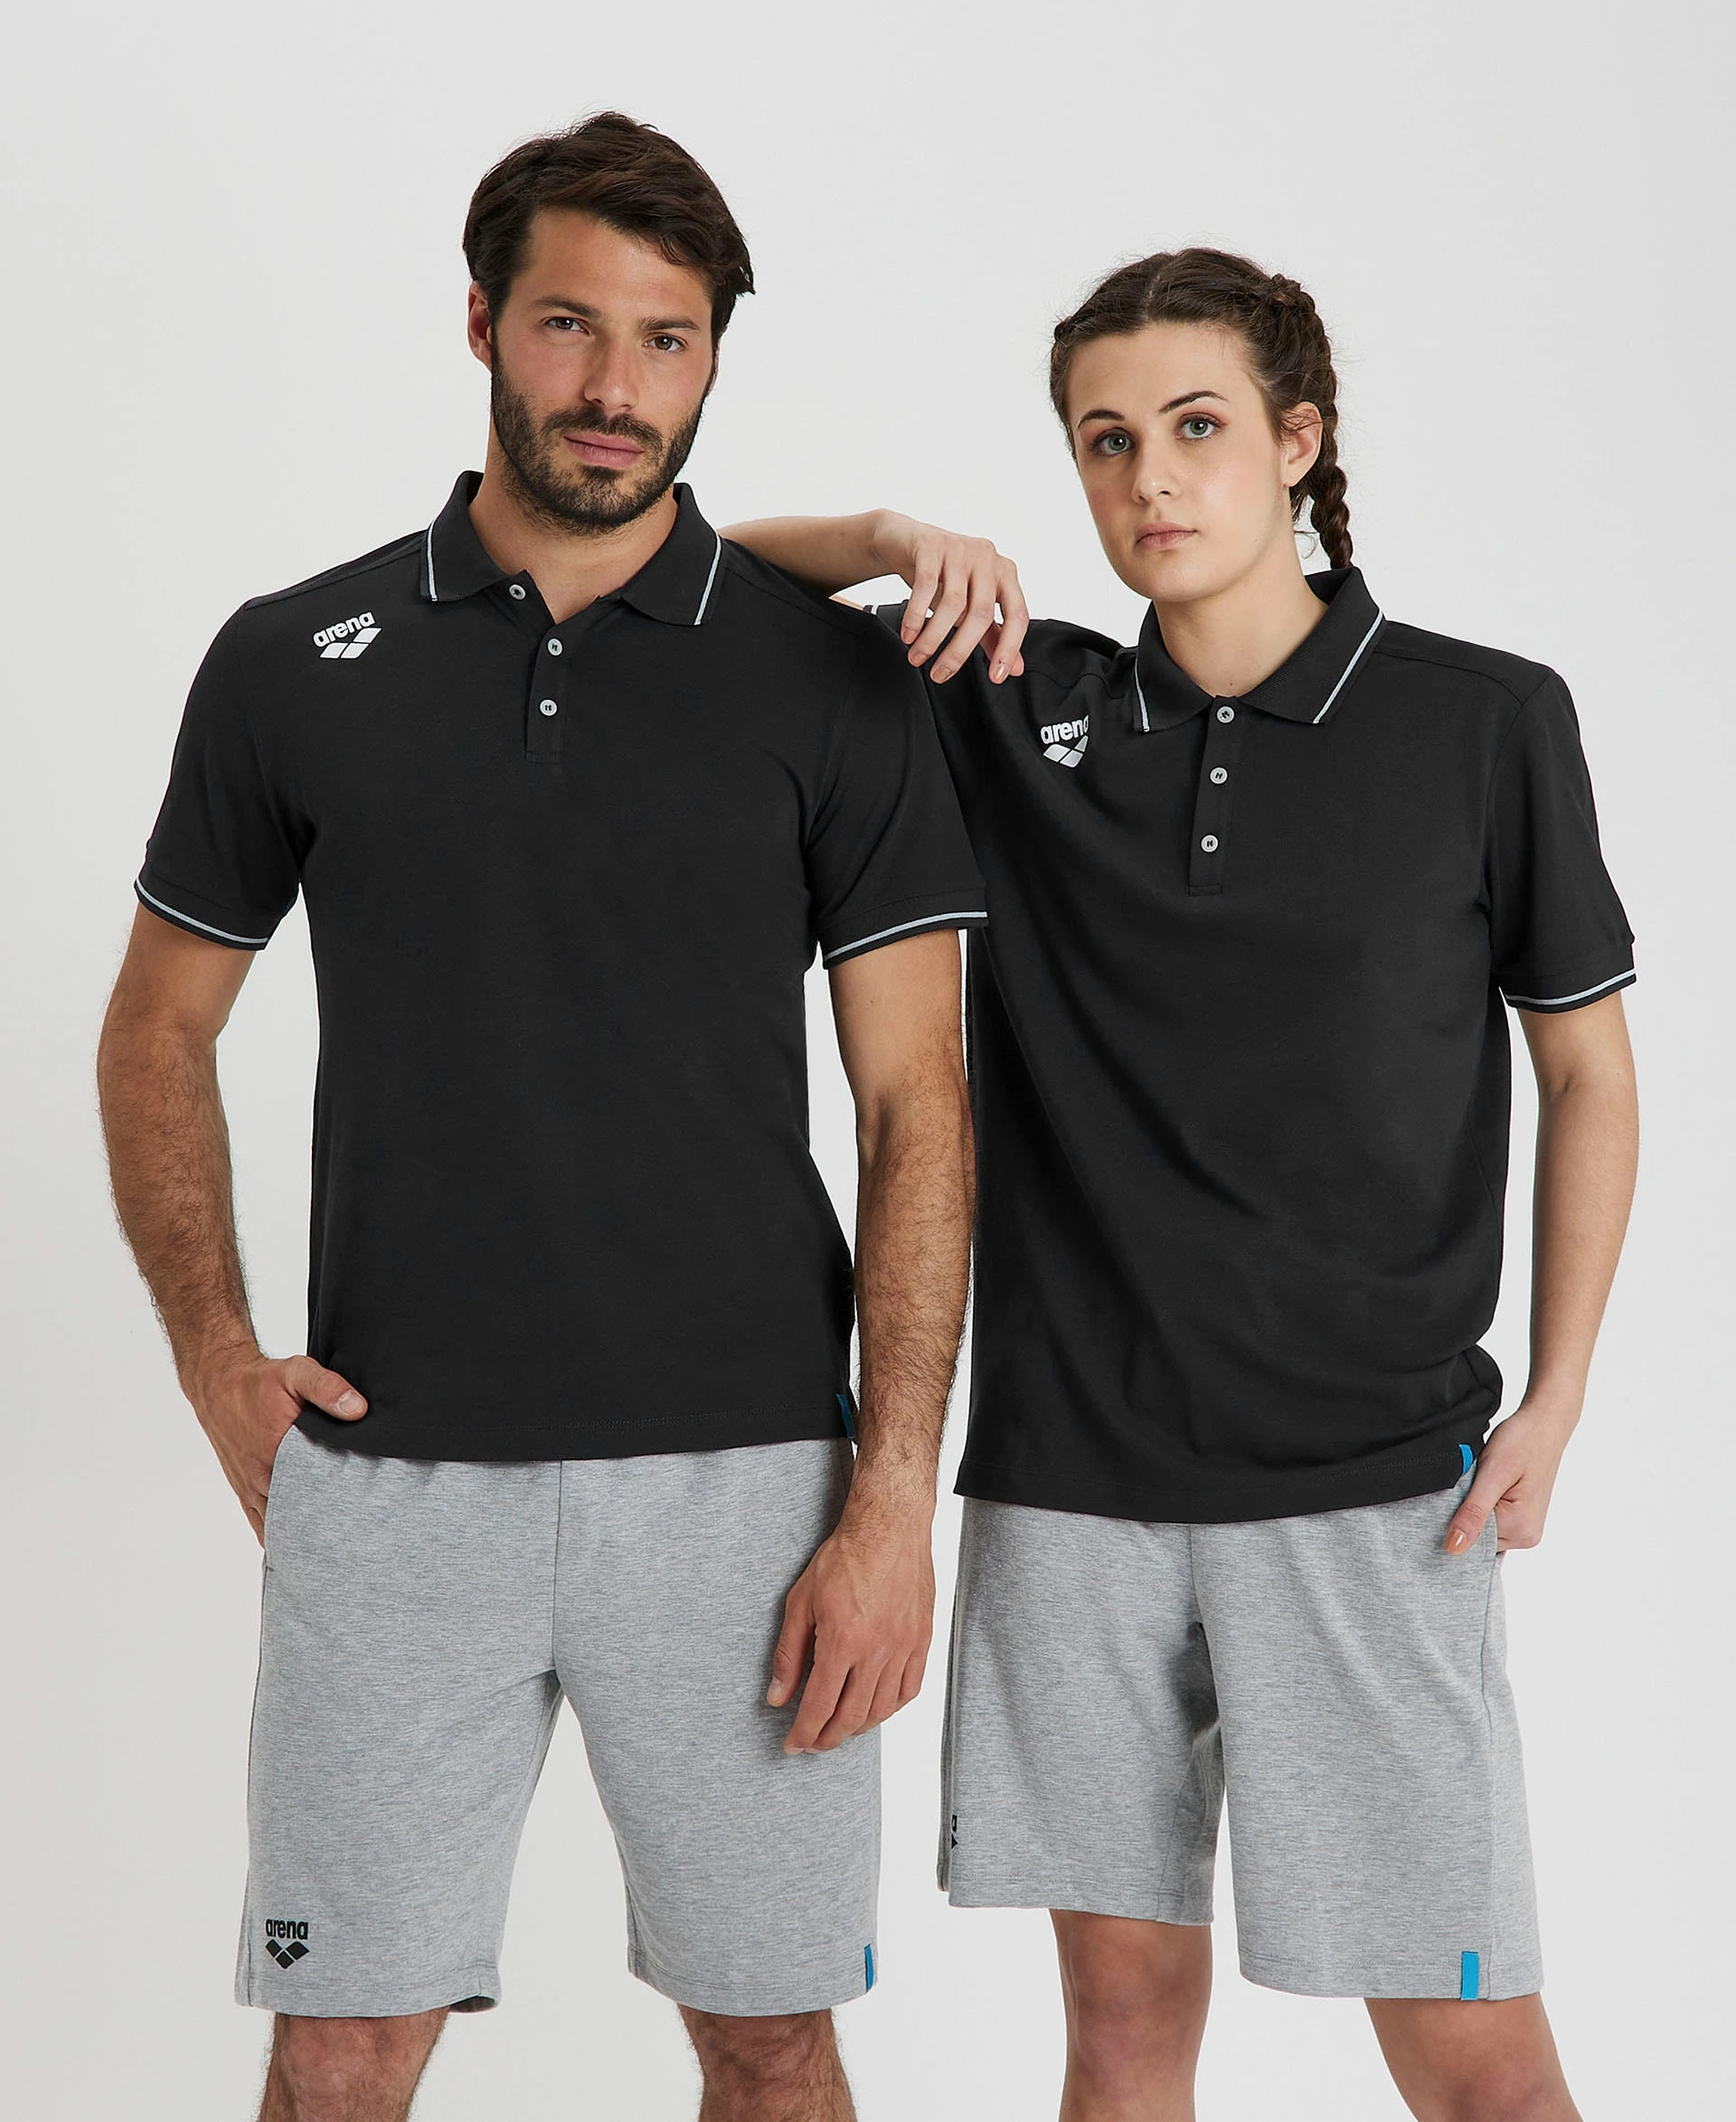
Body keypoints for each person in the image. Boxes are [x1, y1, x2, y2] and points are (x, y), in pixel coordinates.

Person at [97, 113, 986, 2122]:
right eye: (572, 324)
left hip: (750, 1492)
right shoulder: (294, 660)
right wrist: (219, 1361)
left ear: (714, 361)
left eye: (668, 340)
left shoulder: (833, 685)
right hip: (393, 1481)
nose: (614, 385)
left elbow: (919, 1106)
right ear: (485, 322)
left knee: (773, 2043)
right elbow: (157, 1029)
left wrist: (888, 1506)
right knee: (340, 2052)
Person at [727, 247, 1638, 2121]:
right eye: (1105, 439)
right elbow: (698, 584)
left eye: (1198, 427)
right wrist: (895, 537)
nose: (1150, 478)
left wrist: (1558, 1393)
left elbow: (1586, 1070)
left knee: (1480, 2059)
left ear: (1299, 441)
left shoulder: (1485, 720)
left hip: (1373, 1488)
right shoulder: (1013, 702)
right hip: (1075, 1481)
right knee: (1125, 2038)